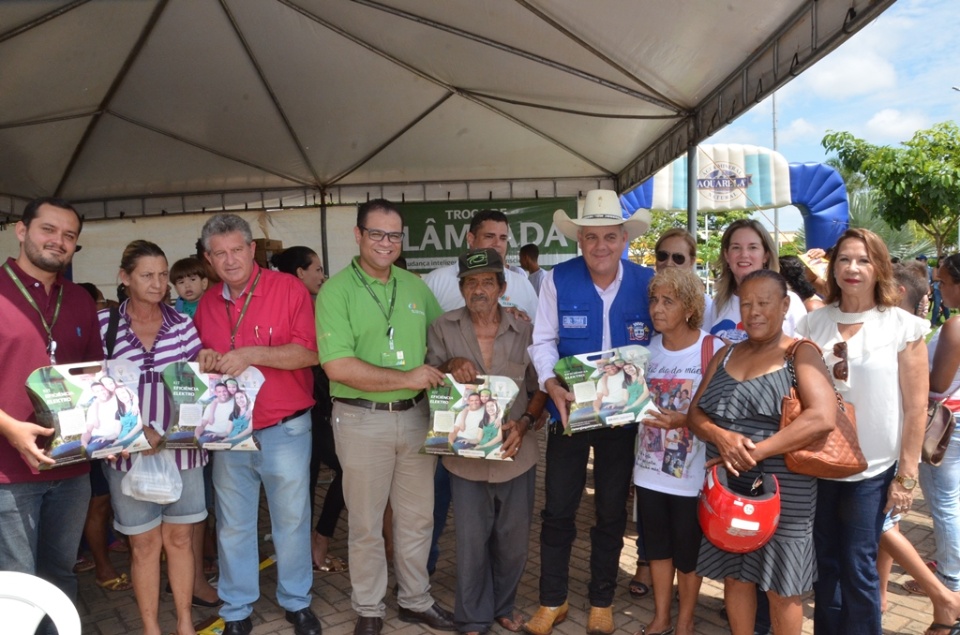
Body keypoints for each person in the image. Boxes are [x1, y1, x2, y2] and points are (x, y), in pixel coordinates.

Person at [316, 199, 453, 635]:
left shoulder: (414, 287)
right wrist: (407, 375)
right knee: (365, 523)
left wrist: (502, 318)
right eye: (377, 233)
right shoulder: (336, 292)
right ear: (358, 235)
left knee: (417, 519)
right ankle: (370, 608)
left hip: (415, 418)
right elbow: (337, 366)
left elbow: (447, 338)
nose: (386, 243)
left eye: (394, 235)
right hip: (361, 420)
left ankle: (414, 600)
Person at [527, 189, 654, 635]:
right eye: (591, 237)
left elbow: (662, 343)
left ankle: (602, 600)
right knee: (559, 507)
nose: (600, 246)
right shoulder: (557, 279)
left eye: (610, 237)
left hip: (623, 416)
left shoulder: (648, 280)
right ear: (579, 241)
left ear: (624, 239)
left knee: (611, 511)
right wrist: (549, 385)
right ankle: (552, 601)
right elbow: (542, 340)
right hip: (570, 410)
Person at [796, 228, 929, 635]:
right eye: (844, 260)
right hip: (819, 465)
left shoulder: (903, 327)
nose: (852, 268)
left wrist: (906, 476)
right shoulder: (811, 324)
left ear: (879, 268)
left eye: (863, 260)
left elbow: (916, 406)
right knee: (825, 568)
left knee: (859, 567)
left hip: (872, 470)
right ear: (831, 268)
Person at [689, 270, 837, 635]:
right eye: (746, 303)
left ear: (785, 305)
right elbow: (695, 414)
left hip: (787, 489)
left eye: (764, 303)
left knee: (782, 587)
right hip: (730, 486)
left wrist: (752, 452)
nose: (753, 311)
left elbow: (822, 417)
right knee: (736, 575)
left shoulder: (799, 353)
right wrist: (720, 437)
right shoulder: (725, 353)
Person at [193, 214, 321, 635]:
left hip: (284, 427)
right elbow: (203, 363)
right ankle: (236, 609)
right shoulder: (207, 303)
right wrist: (207, 362)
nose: (229, 260)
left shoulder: (289, 289)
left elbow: (309, 353)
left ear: (252, 250)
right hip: (230, 432)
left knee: (291, 519)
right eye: (219, 254)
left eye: (236, 250)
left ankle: (296, 600)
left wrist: (251, 353)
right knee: (234, 523)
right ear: (209, 259)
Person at [97, 239, 218, 635]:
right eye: (147, 275)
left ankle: (184, 622)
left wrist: (208, 364)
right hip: (127, 453)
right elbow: (94, 393)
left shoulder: (182, 325)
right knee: (144, 545)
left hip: (180, 452)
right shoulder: (105, 327)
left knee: (181, 540)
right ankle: (151, 628)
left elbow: (193, 386)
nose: (158, 283)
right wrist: (136, 429)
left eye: (163, 274)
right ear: (124, 278)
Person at [425, 247, 545, 635]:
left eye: (487, 282)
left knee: (513, 541)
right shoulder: (443, 327)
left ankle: (504, 605)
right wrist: (447, 367)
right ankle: (474, 615)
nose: (479, 290)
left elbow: (540, 386)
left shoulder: (525, 330)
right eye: (471, 282)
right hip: (465, 457)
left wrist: (525, 422)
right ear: (461, 288)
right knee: (472, 541)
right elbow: (430, 377)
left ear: (502, 287)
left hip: (516, 451)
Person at [0, 197, 102, 631]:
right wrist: (10, 428)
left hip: (71, 469)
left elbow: (96, 376)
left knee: (60, 575)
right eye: (48, 229)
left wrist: (110, 432)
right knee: (18, 586)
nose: (58, 241)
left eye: (69, 235)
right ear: (21, 231)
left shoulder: (79, 299)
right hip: (9, 471)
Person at [632, 268, 719, 635]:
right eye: (654, 300)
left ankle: (685, 620)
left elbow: (721, 410)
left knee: (687, 553)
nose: (657, 308)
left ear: (689, 307)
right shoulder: (643, 351)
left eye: (668, 301)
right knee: (657, 549)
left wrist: (685, 420)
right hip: (648, 469)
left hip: (691, 475)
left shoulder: (711, 348)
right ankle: (662, 617)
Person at [270, 246, 347, 573]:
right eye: (316, 268)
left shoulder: (315, 304)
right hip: (300, 407)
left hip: (314, 406)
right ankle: (314, 544)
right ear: (299, 272)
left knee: (316, 476)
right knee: (328, 472)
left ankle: (312, 544)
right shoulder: (293, 306)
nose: (322, 275)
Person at [919, 253, 960, 634]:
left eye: (943, 282)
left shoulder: (955, 326)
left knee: (945, 506)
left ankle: (951, 586)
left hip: (947, 425)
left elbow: (937, 383)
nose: (939, 289)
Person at [705, 219, 807, 343]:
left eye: (752, 247)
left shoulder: (789, 301)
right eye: (736, 247)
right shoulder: (719, 303)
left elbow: (802, 351)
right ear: (727, 255)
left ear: (765, 256)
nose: (744, 254)